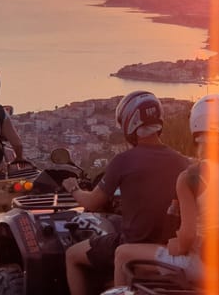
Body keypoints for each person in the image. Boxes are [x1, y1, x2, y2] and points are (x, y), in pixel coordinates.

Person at [112, 94, 219, 286]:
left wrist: (177, 245)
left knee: (122, 254)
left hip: (202, 268)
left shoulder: (191, 177)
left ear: (195, 126)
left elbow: (189, 235)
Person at [62, 90, 191, 295]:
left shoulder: (123, 161)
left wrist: (73, 188)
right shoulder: (183, 161)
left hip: (131, 245)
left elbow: (93, 202)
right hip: (167, 251)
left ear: (129, 124)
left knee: (71, 255)